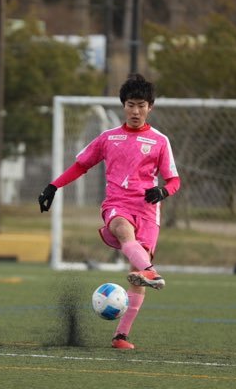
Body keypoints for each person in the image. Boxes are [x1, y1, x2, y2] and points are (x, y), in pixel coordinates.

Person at [38, 73, 181, 350]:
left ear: (150, 107)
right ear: (123, 106)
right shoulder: (108, 138)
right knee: (123, 231)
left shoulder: (160, 141)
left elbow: (174, 180)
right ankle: (151, 271)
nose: (135, 111)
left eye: (141, 105)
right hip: (117, 204)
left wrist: (163, 191)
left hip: (148, 210)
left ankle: (120, 336)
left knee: (135, 274)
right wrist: (53, 186)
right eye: (130, 105)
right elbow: (81, 165)